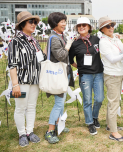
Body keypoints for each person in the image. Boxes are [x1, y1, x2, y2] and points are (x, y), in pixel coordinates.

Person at [8, 11, 46, 147]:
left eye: (35, 22)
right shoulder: (15, 41)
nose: (34, 24)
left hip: (35, 80)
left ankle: (30, 131)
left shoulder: (34, 40)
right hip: (22, 80)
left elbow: (41, 58)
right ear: (22, 24)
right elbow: (12, 65)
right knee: (20, 108)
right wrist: (15, 85)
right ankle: (21, 133)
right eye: (31, 22)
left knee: (31, 107)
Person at [98, 16, 123, 142]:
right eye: (108, 26)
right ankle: (114, 132)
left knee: (114, 101)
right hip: (112, 74)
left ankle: (110, 125)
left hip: (119, 73)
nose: (111, 28)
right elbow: (113, 59)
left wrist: (122, 41)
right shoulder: (103, 42)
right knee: (114, 102)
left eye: (112, 25)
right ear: (102, 29)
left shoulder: (114, 39)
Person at [69, 17, 104, 135]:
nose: (81, 27)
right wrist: (79, 67)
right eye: (79, 25)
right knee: (87, 100)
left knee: (99, 99)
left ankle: (95, 117)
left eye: (84, 25)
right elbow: (70, 60)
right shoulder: (75, 44)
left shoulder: (97, 39)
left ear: (89, 27)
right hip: (85, 75)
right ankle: (90, 123)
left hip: (98, 73)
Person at [44, 12, 74, 144]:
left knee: (61, 102)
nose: (64, 24)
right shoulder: (54, 38)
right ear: (55, 24)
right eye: (61, 21)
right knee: (59, 103)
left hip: (63, 73)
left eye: (65, 21)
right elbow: (61, 56)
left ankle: (58, 124)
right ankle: (50, 131)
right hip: (57, 74)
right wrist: (68, 45)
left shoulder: (61, 36)